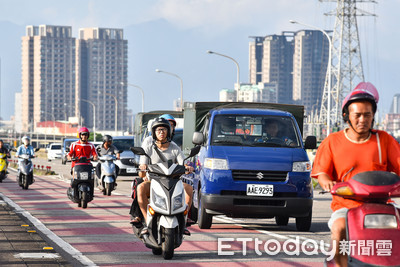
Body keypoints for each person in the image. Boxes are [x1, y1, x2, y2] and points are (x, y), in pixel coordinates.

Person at [311, 82, 400, 267]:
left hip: (381, 205)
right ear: (347, 116)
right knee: (339, 228)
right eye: (357, 115)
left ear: (373, 116)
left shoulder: (383, 140)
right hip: (346, 206)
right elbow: (322, 173)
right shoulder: (332, 141)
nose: (362, 119)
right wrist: (327, 182)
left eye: (367, 115)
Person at [131, 117, 194, 236]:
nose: (161, 132)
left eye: (164, 129)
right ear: (154, 132)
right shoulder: (149, 147)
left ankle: (183, 220)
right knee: (140, 188)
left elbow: (183, 163)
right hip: (153, 182)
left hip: (173, 182)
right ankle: (147, 221)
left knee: (189, 189)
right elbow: (142, 168)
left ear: (169, 131)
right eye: (158, 130)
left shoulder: (174, 147)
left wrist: (187, 167)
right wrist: (143, 167)